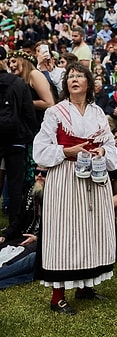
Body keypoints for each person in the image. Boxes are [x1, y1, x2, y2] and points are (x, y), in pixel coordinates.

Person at [32, 62, 117, 315]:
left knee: (90, 231)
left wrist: (102, 150)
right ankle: (57, 296)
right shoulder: (56, 112)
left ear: (89, 83)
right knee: (65, 233)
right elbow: (40, 150)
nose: (74, 79)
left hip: (94, 176)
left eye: (80, 75)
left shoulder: (98, 113)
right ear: (65, 84)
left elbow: (111, 145)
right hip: (66, 177)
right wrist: (66, 151)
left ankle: (84, 287)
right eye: (70, 76)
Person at [0, 48, 36, 237]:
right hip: (16, 139)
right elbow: (28, 111)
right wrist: (28, 134)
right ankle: (14, 226)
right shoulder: (18, 83)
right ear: (5, 60)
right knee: (15, 183)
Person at [0, 166, 44, 289]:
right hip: (24, 238)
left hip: (44, 243)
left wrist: (36, 238)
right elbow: (18, 219)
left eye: (44, 173)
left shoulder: (57, 197)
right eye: (36, 172)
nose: (39, 175)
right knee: (5, 246)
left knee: (29, 259)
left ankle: (6, 268)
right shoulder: (31, 192)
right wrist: (5, 235)